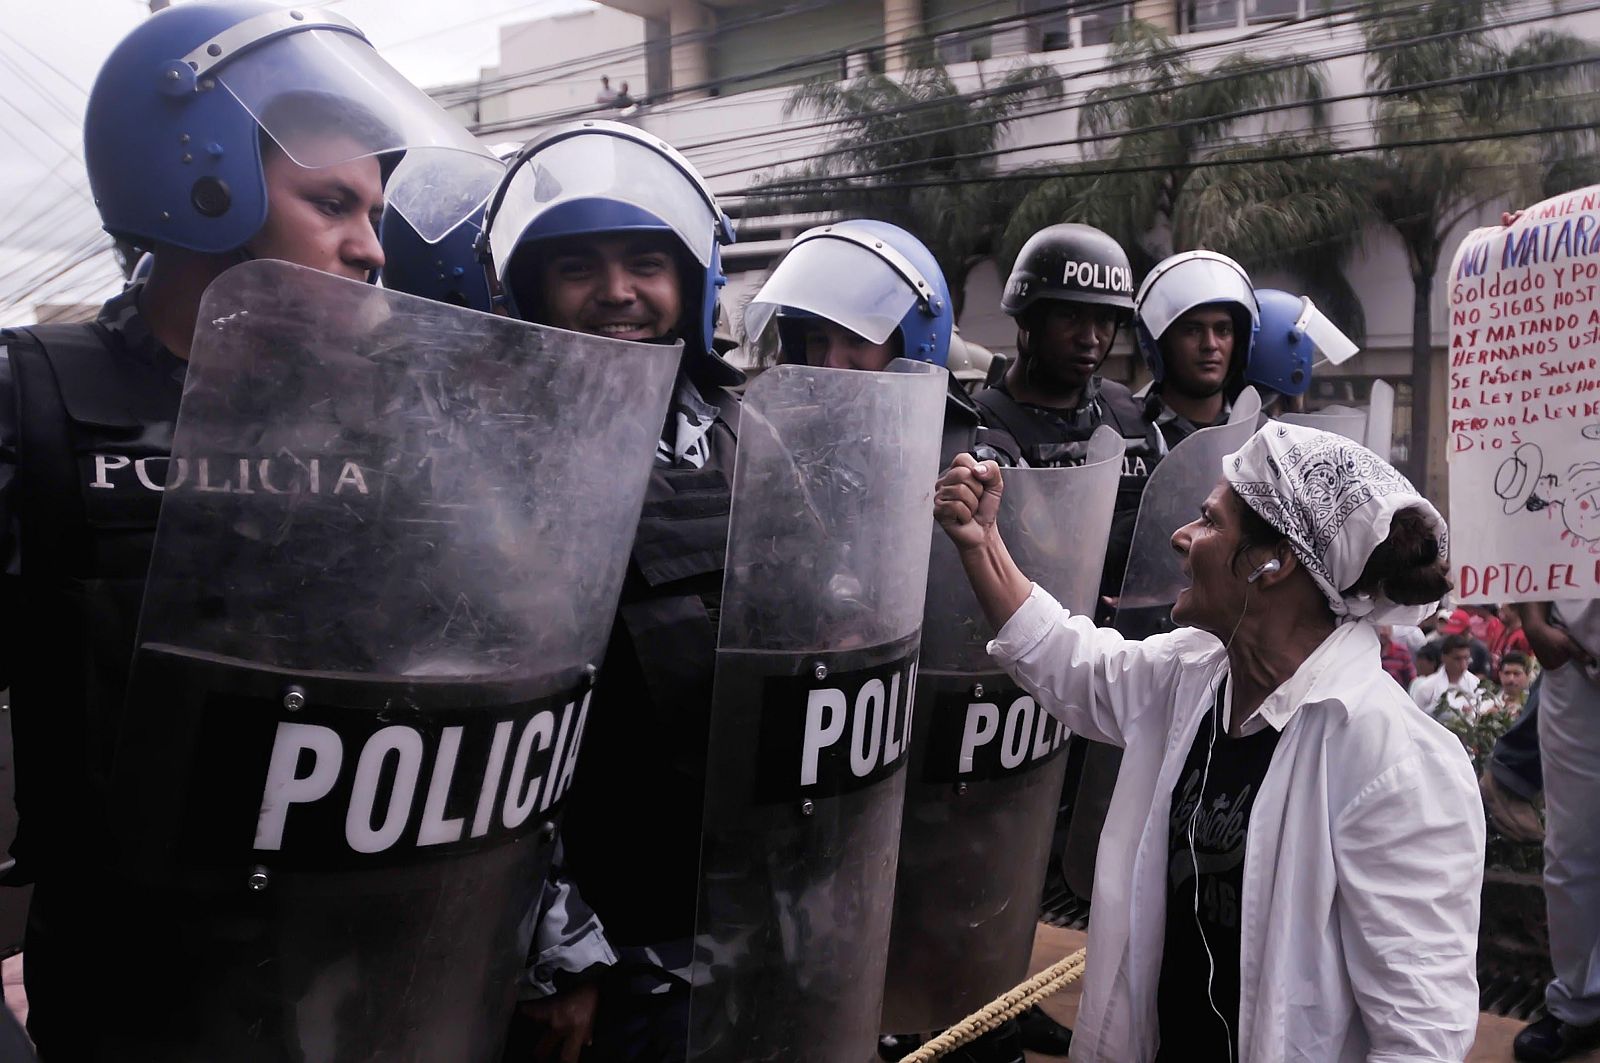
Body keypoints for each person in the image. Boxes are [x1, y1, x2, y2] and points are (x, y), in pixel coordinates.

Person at [0, 3, 498, 1055]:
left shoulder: (385, 425)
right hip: (136, 986)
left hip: (355, 975)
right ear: (202, 180)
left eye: (373, 210)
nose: (371, 248)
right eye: (332, 203)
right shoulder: (35, 399)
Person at [933, 421, 1484, 1062]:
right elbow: (1073, 665)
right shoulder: (1196, 674)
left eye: (1210, 522)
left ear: (1272, 565)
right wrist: (982, 544)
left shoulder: (1398, 766)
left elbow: (1421, 1038)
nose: (1181, 538)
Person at [390, 119, 739, 1062]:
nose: (619, 292)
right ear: (530, 288)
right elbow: (469, 742)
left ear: (692, 280)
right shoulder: (482, 458)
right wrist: (554, 953)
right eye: (578, 265)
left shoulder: (744, 435)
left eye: (645, 262)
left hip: (747, 910)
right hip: (601, 947)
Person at [744, 218, 1017, 468]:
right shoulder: (780, 450)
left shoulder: (974, 461)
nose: (831, 362)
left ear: (908, 347)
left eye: (857, 339)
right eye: (818, 340)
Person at [1513, 599, 1600, 1062]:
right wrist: (1533, 622)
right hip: (1576, 661)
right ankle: (1579, 1007)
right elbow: (1523, 532)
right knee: (1570, 849)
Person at [1132, 250, 1258, 454]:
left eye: (1223, 330)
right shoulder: (1128, 433)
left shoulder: (1261, 437)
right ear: (1159, 343)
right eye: (1192, 330)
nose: (1210, 344)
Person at [1409, 632, 1480, 717]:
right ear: (1444, 657)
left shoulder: (1475, 683)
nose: (1463, 664)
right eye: (1457, 659)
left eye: (1466, 658)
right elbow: (1415, 717)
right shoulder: (1427, 688)